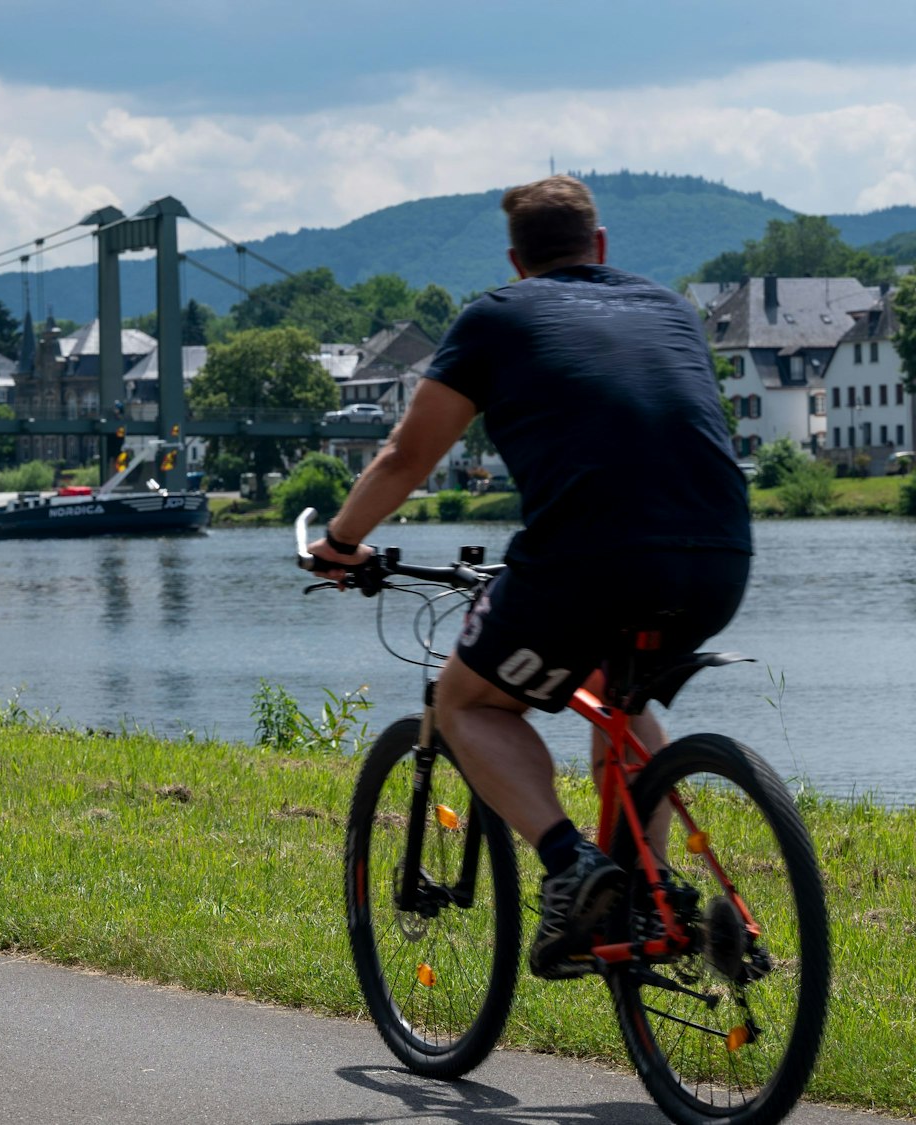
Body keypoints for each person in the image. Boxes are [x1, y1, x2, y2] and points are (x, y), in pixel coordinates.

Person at [307, 176, 752, 979]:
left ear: (516, 261)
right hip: (722, 553)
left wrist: (340, 542)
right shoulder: (669, 307)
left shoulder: (496, 317)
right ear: (601, 245)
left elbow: (409, 455)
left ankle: (573, 864)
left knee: (465, 699)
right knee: (621, 693)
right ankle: (645, 900)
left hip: (591, 557)